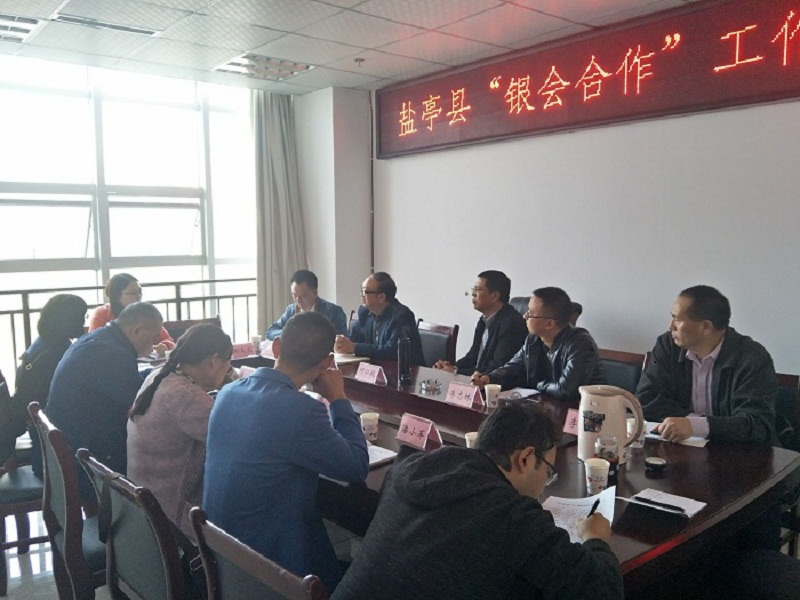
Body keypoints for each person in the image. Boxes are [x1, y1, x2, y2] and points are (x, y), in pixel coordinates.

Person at [333, 399, 623, 600]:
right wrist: (596, 539)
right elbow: (603, 592)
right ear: (525, 458)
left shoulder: (407, 468)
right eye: (548, 472)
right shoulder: (514, 516)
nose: (543, 486)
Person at [204, 312, 369, 593]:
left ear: (276, 346)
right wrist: (338, 398)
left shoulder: (227, 393)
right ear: (327, 363)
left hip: (223, 556)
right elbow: (356, 466)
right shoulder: (301, 410)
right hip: (271, 569)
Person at [46, 302, 164, 500]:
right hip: (86, 457)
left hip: (73, 441)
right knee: (166, 446)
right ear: (137, 330)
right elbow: (139, 404)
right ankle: (155, 514)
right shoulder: (111, 354)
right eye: (152, 338)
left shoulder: (100, 339)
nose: (153, 345)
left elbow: (128, 382)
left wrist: (158, 373)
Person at [127, 324, 232, 535]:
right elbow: (235, 440)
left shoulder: (159, 376)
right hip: (171, 517)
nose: (228, 371)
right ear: (213, 361)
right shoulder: (188, 398)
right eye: (228, 365)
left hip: (141, 503)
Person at [638, 285, 777, 445]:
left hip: (736, 452)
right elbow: (645, 399)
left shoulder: (752, 358)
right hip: (679, 447)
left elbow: (757, 424)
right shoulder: (667, 345)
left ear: (706, 327)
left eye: (678, 320)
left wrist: (696, 426)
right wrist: (691, 424)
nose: (671, 326)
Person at [473, 287, 605, 402]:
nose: (524, 316)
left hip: (583, 412)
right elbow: (513, 367)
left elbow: (565, 391)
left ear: (549, 324)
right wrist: (488, 378)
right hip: (545, 406)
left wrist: (538, 384)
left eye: (530, 313)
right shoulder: (533, 339)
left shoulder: (580, 343)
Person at [6, 294, 87, 475]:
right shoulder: (58, 352)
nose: (84, 321)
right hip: (49, 443)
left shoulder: (42, 343)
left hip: (36, 428)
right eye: (82, 316)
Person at [434, 270, 527, 376]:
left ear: (495, 296)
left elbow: (498, 367)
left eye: (477, 289)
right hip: (478, 380)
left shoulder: (511, 324)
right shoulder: (483, 321)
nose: (473, 294)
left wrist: (456, 372)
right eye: (473, 289)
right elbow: (471, 357)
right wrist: (452, 367)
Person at [333, 272, 424, 366]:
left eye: (365, 291)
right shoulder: (365, 312)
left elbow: (392, 351)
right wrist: (342, 343)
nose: (361, 295)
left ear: (381, 297)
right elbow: (354, 339)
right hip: (375, 369)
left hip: (405, 370)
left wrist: (354, 348)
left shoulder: (402, 316)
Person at [89, 273, 175, 354]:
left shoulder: (144, 313)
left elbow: (168, 340)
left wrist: (165, 345)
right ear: (117, 297)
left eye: (140, 292)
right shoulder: (102, 314)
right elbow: (94, 344)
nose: (139, 296)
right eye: (132, 293)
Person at [265, 269, 347, 340]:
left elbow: (339, 341)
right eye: (294, 295)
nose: (298, 300)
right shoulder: (291, 310)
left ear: (315, 293)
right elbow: (271, 331)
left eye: (304, 296)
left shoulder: (333, 311)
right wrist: (289, 334)